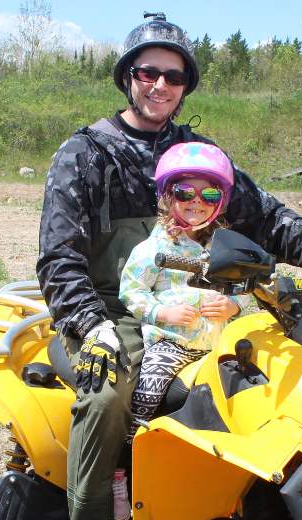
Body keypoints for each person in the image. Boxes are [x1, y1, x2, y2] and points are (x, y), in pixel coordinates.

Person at [36, 12, 302, 520]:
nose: (160, 85)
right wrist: (89, 325)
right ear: (127, 78)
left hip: (198, 304)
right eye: (149, 72)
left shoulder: (196, 151)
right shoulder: (87, 153)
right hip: (115, 308)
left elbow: (264, 216)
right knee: (110, 388)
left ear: (186, 85)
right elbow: (58, 256)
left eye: (174, 76)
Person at [119, 142, 243, 490]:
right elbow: (131, 291)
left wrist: (233, 306)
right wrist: (164, 311)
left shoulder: (222, 246)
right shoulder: (154, 248)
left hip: (214, 345)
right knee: (146, 393)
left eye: (208, 195)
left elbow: (238, 286)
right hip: (171, 343)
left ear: (220, 202)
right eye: (185, 191)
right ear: (167, 196)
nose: (196, 202)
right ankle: (122, 467)